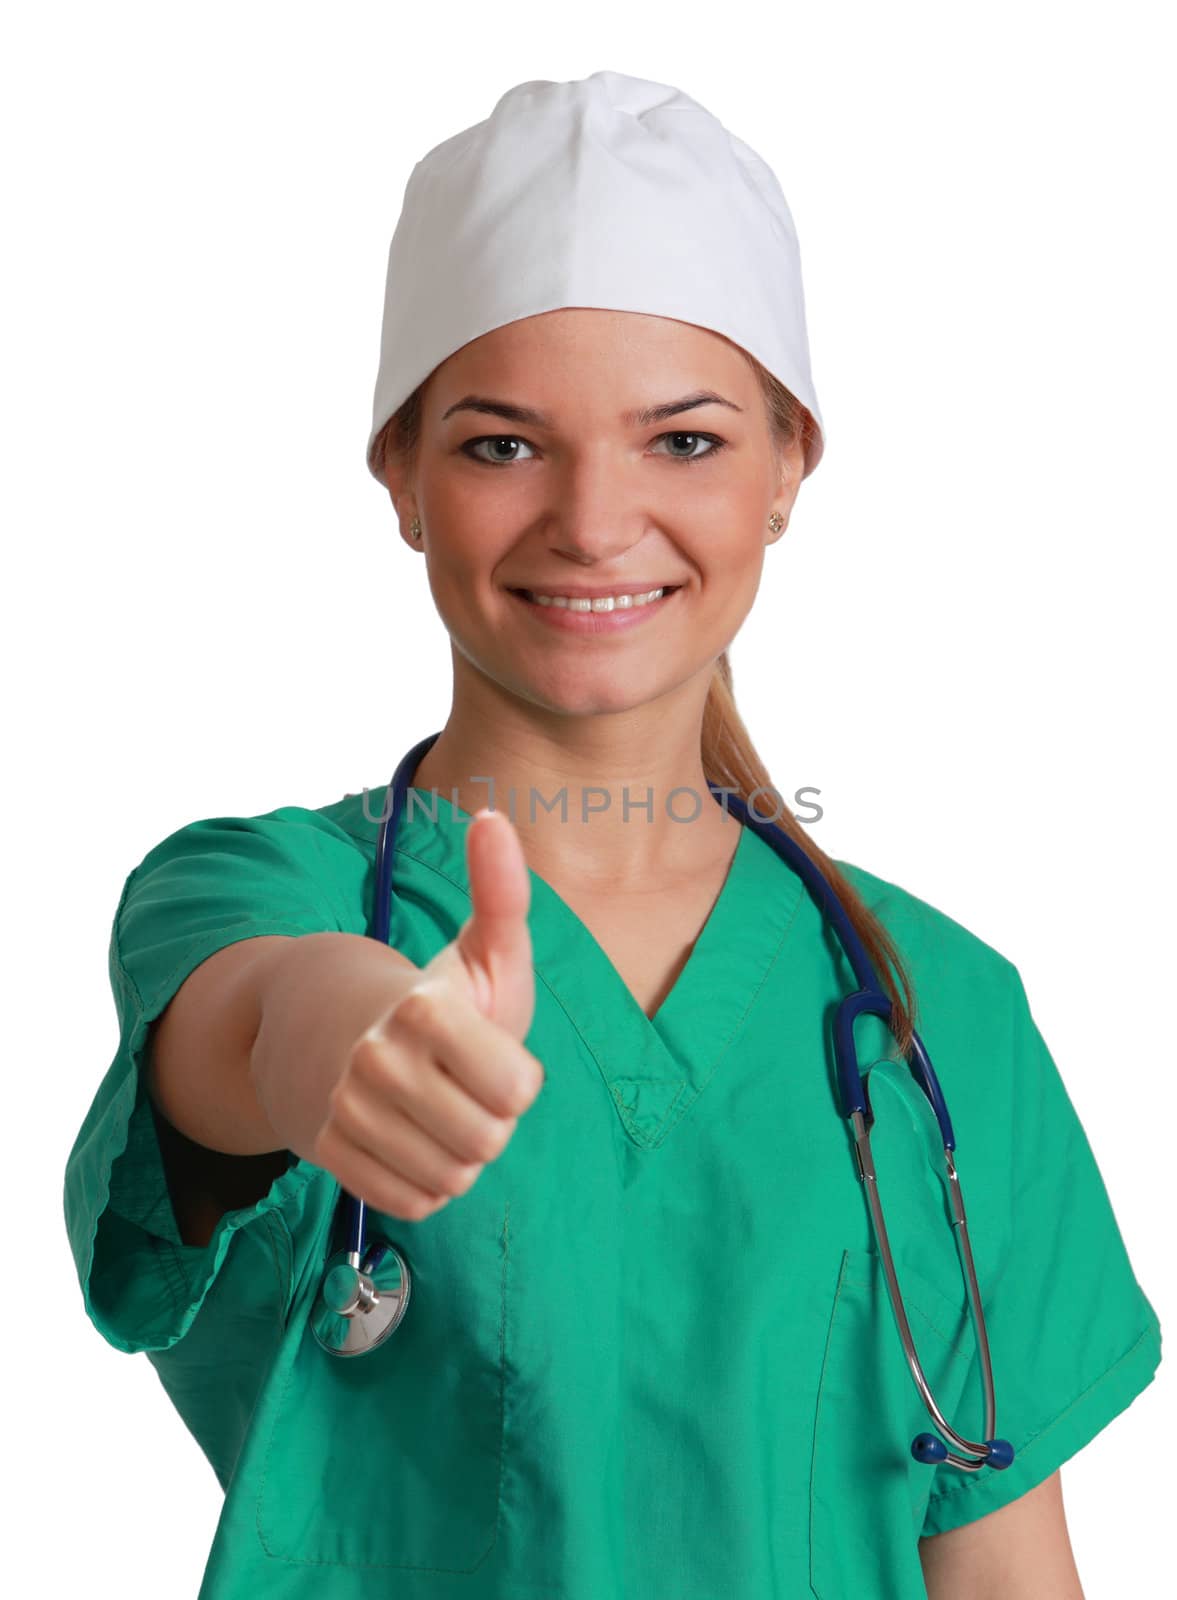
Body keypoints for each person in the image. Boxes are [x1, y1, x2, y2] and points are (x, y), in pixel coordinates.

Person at [63, 70, 1161, 1600]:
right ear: (401, 476)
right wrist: (336, 1038)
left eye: (686, 443)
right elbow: (252, 1024)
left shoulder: (936, 1011)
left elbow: (1000, 1560)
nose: (592, 520)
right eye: (502, 444)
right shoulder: (266, 892)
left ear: (788, 468)